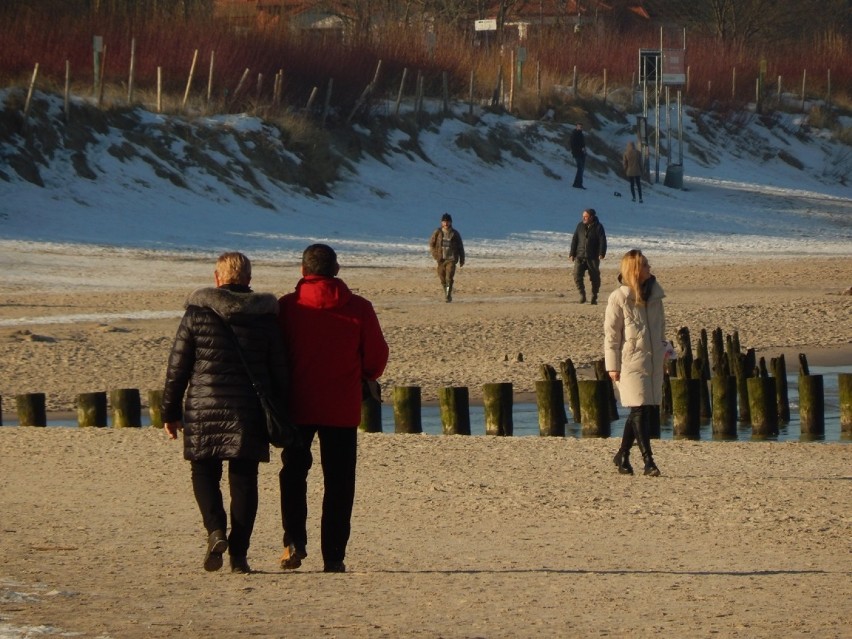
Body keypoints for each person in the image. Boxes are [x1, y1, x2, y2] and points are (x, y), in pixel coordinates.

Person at [162, 251, 288, 574]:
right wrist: (285, 412)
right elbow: (279, 371)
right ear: (248, 279)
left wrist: (170, 411)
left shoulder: (196, 314)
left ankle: (215, 531)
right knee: (244, 479)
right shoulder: (265, 316)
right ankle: (239, 555)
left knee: (203, 472)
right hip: (249, 410)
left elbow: (178, 367)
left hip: (204, 407)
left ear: (217, 278)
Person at [277, 244, 389, 573]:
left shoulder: (287, 308)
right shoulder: (359, 308)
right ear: (336, 270)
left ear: (302, 271)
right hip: (341, 406)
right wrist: (363, 374)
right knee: (339, 482)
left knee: (294, 474)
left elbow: (275, 354)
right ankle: (334, 555)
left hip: (297, 405)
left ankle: (293, 540)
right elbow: (376, 359)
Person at [604, 249, 666, 477]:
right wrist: (612, 366)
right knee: (638, 409)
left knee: (643, 410)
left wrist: (664, 352)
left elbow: (660, 329)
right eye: (646, 265)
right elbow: (611, 335)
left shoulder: (656, 296)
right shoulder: (619, 298)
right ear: (635, 270)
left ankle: (622, 455)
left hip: (652, 359)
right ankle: (648, 461)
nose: (650, 268)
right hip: (629, 361)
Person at [568, 208, 607, 304]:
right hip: (580, 255)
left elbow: (603, 240)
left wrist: (602, 253)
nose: (583, 218)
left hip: (593, 256)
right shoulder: (580, 226)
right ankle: (582, 294)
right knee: (577, 275)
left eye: (586, 216)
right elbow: (575, 239)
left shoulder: (598, 227)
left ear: (591, 217)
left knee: (595, 277)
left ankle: (594, 295)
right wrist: (572, 253)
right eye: (583, 216)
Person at [429, 212, 465, 302]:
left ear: (451, 222)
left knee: (449, 277)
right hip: (441, 259)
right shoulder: (438, 232)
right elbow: (431, 244)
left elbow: (460, 246)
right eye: (444, 222)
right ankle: (446, 292)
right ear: (441, 222)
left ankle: (448, 296)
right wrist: (435, 255)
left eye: (447, 221)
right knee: (442, 278)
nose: (446, 223)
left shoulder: (455, 233)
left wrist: (462, 259)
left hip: (451, 259)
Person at [570, 123, 587, 189]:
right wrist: (579, 149)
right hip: (577, 153)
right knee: (580, 168)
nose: (580, 128)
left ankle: (578, 183)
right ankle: (577, 184)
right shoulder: (574, 134)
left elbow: (583, 144)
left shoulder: (581, 134)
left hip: (582, 153)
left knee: (581, 169)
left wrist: (584, 150)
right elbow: (573, 144)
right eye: (579, 127)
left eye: (581, 127)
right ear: (576, 127)